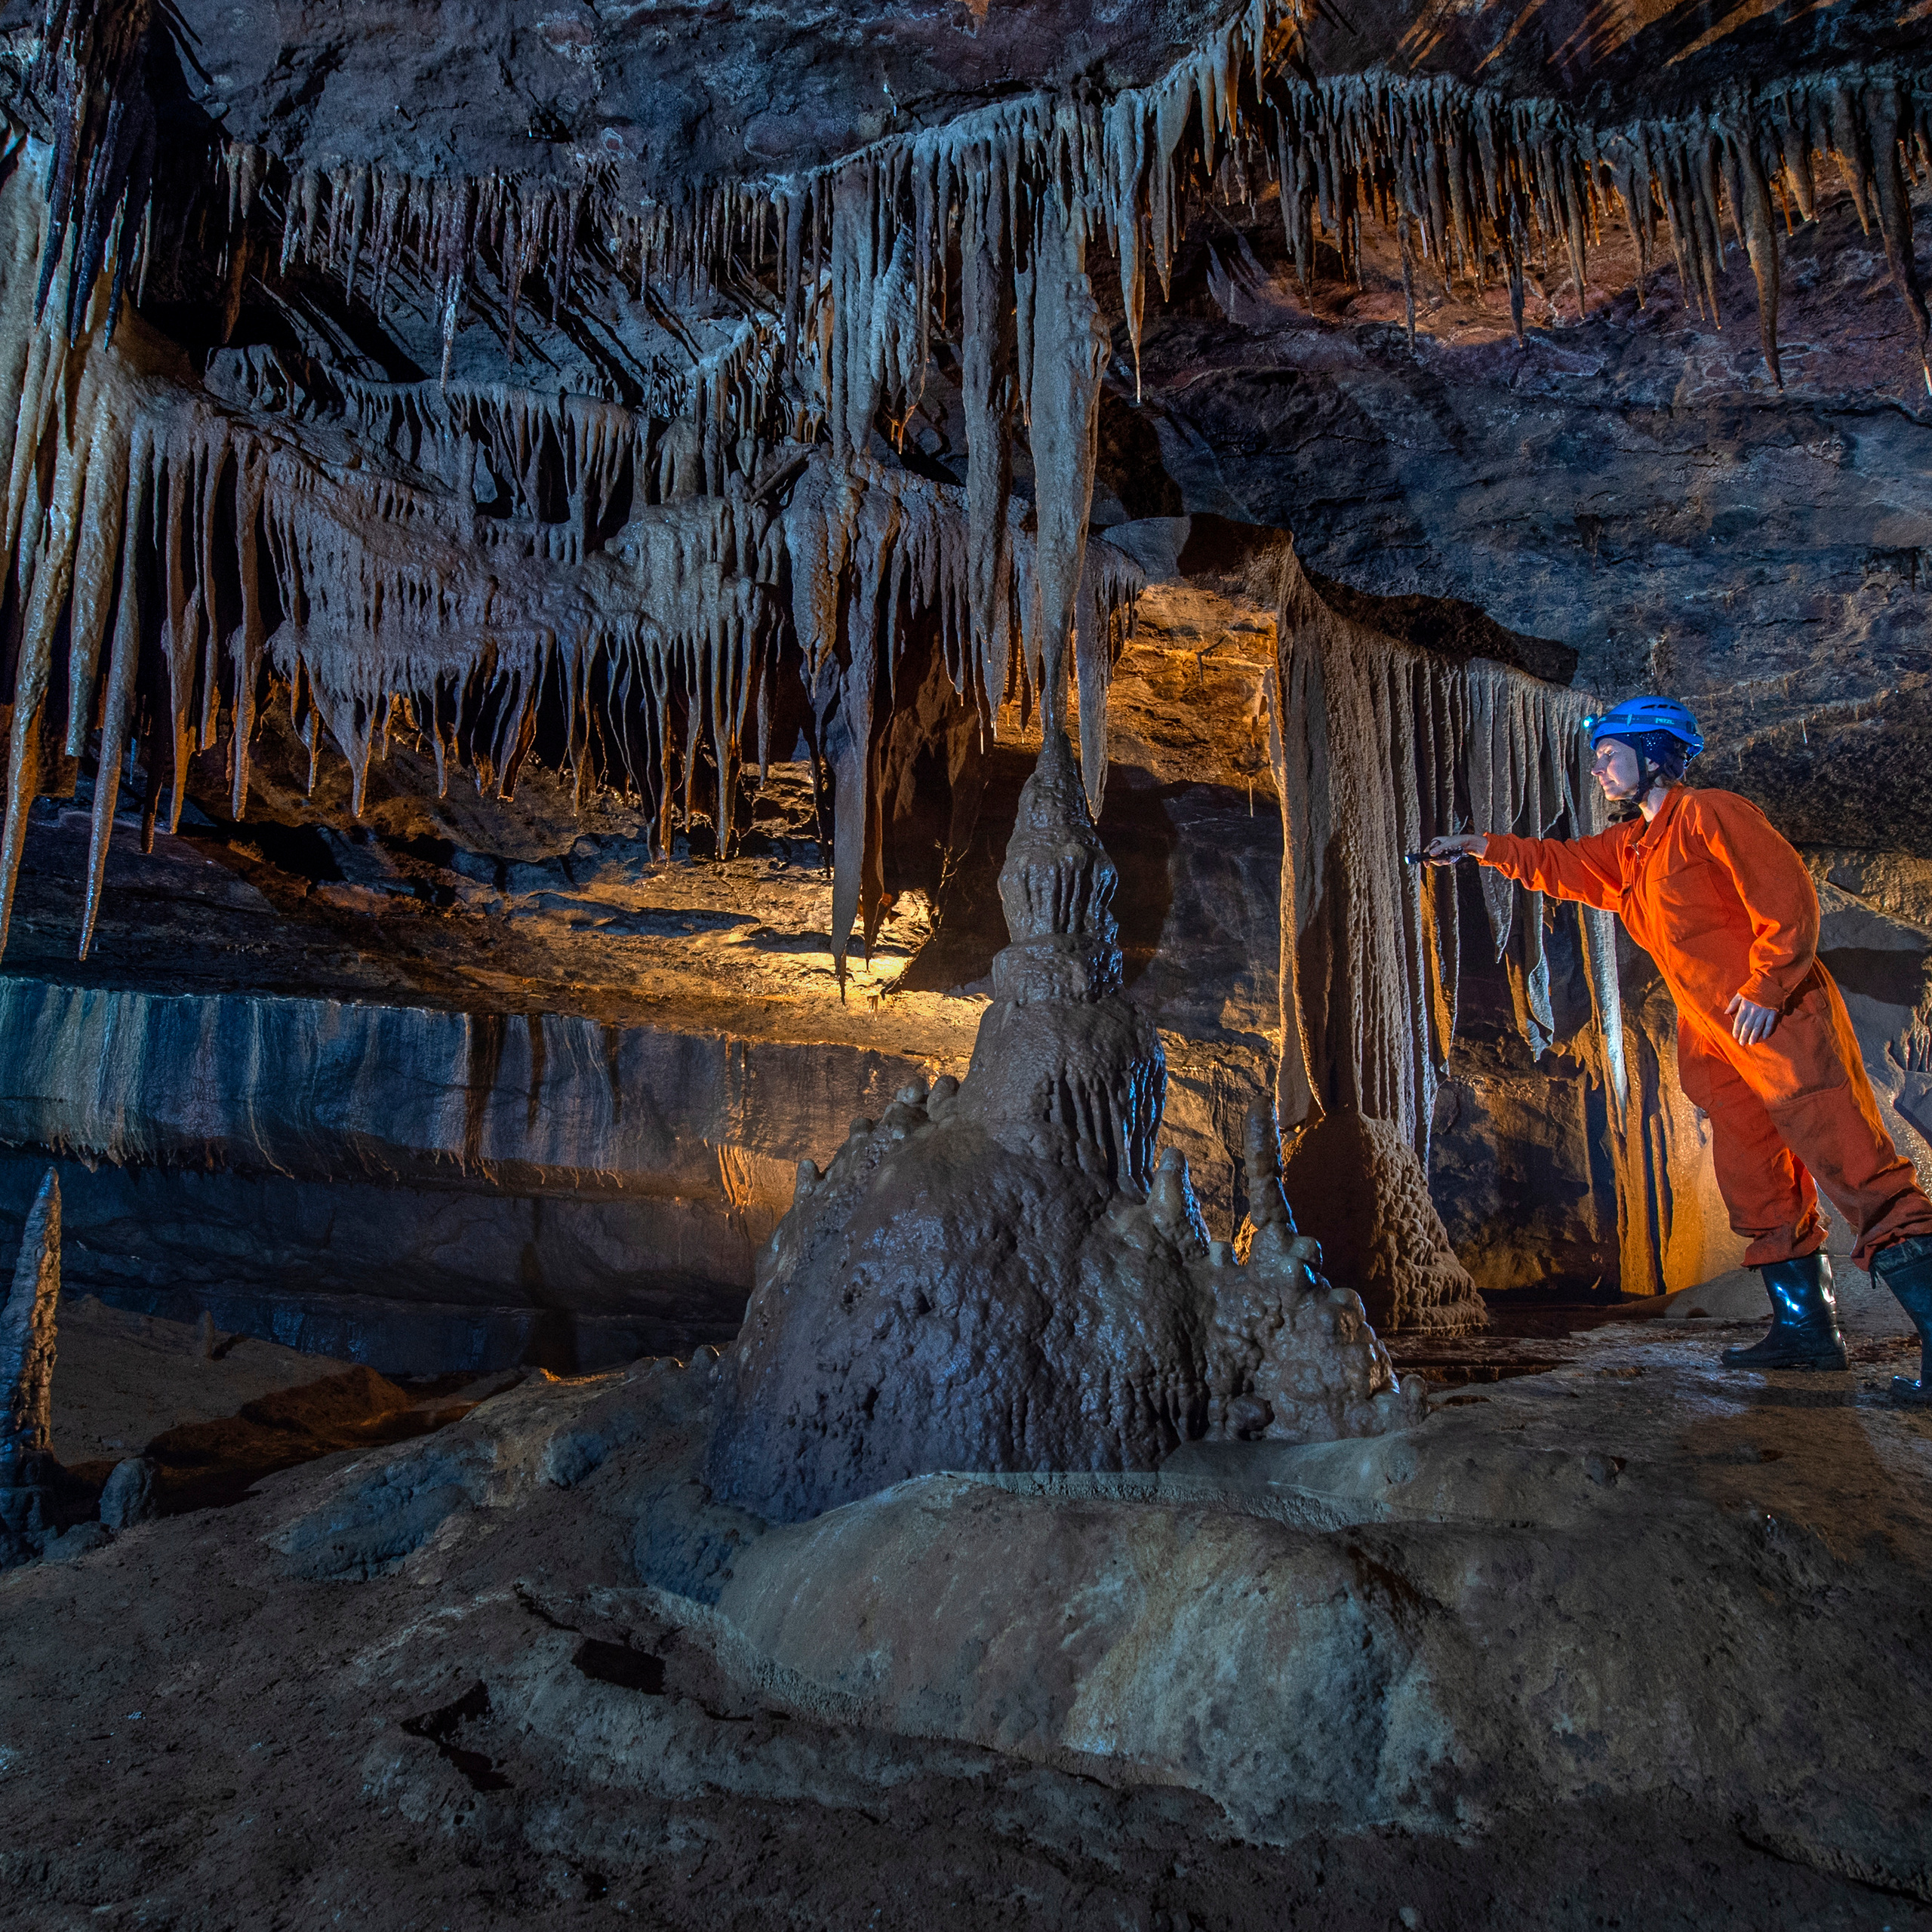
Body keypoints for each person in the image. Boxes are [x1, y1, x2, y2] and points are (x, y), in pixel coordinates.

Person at [1422, 696, 1932, 1400]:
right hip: (1716, 1036)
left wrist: (1766, 984)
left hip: (1778, 1016)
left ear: (1653, 752)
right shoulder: (1633, 848)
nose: (1598, 766)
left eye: (1610, 752)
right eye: (1596, 754)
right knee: (1757, 1183)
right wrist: (1483, 848)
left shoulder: (1711, 813)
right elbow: (1563, 864)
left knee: (1854, 1164)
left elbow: (1787, 897)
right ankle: (1808, 1335)